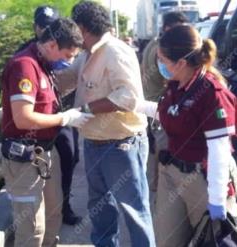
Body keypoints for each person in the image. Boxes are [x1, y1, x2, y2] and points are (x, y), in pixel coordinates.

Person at [58, 1, 155, 246]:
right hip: (94, 142)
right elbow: (67, 80)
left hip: (121, 145)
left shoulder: (115, 51)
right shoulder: (87, 54)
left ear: (83, 27)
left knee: (134, 210)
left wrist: (86, 109)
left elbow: (129, 97)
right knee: (100, 208)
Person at [136, 25, 237, 247]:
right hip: (172, 172)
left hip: (203, 179)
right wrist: (135, 105)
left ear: (181, 63)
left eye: (162, 59)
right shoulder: (176, 85)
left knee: (211, 241)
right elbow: (171, 114)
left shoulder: (213, 93)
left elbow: (219, 151)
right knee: (166, 240)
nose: (159, 64)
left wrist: (216, 198)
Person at [0, 18, 93, 247]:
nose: (69, 62)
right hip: (23, 159)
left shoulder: (44, 65)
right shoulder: (25, 66)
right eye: (68, 55)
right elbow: (22, 118)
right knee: (32, 229)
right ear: (51, 45)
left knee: (53, 216)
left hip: (45, 153)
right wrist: (65, 118)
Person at [18, 5, 83, 225]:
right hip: (40, 123)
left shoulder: (65, 51)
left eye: (52, 26)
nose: (48, 30)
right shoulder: (26, 57)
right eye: (43, 26)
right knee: (42, 167)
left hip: (65, 115)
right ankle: (45, 211)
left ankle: (64, 207)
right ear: (36, 28)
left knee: (70, 159)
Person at [141, 11, 188, 202]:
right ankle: (162, 194)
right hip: (160, 107)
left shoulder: (152, 44)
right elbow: (172, 80)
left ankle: (156, 190)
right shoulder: (162, 49)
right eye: (178, 29)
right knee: (164, 151)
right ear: (168, 28)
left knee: (154, 151)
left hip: (152, 106)